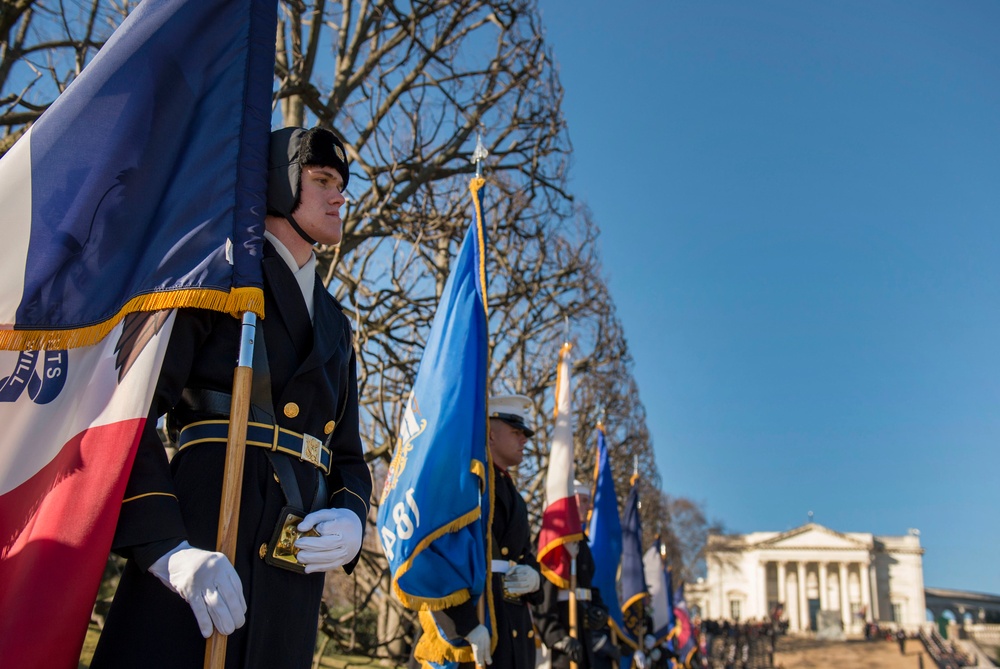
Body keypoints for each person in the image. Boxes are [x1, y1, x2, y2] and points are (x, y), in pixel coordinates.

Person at [91, 127, 373, 669]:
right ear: (276, 183)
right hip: (200, 550)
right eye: (322, 180)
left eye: (341, 183)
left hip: (292, 580)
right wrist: (166, 551)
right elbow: (125, 414)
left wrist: (353, 519)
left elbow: (351, 459)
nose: (340, 196)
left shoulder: (337, 324)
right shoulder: (212, 279)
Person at [423, 395, 544, 668]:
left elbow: (525, 553)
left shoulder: (514, 494)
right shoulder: (466, 486)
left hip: (511, 631)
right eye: (516, 432)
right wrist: (464, 624)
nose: (524, 440)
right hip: (476, 625)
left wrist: (535, 578)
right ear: (490, 435)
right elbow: (437, 556)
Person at [533, 480, 620, 669]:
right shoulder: (551, 543)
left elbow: (589, 587)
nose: (589, 507)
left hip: (582, 633)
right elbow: (542, 596)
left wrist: (599, 610)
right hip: (562, 638)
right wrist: (557, 637)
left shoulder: (582, 544)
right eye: (583, 501)